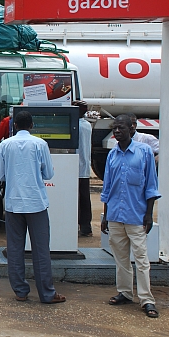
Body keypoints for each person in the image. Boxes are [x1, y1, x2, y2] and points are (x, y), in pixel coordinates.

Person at [0, 110, 66, 304]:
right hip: (36, 203)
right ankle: (47, 294)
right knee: (41, 250)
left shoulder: (5, 145)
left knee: (15, 249)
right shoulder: (40, 144)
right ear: (32, 126)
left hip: (13, 203)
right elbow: (49, 173)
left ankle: (20, 291)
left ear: (14, 125)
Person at [101, 114, 160, 318]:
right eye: (114, 128)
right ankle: (125, 293)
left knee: (142, 259)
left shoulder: (144, 152)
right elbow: (107, 188)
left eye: (121, 128)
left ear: (132, 129)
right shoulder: (112, 155)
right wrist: (105, 216)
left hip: (137, 215)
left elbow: (151, 186)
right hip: (116, 215)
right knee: (121, 258)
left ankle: (147, 299)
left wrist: (149, 214)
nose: (117, 131)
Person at [74, 101, 93, 237]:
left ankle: (82, 225)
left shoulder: (76, 126)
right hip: (84, 167)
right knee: (84, 197)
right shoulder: (87, 125)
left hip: (75, 167)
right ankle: (86, 226)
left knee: (78, 198)